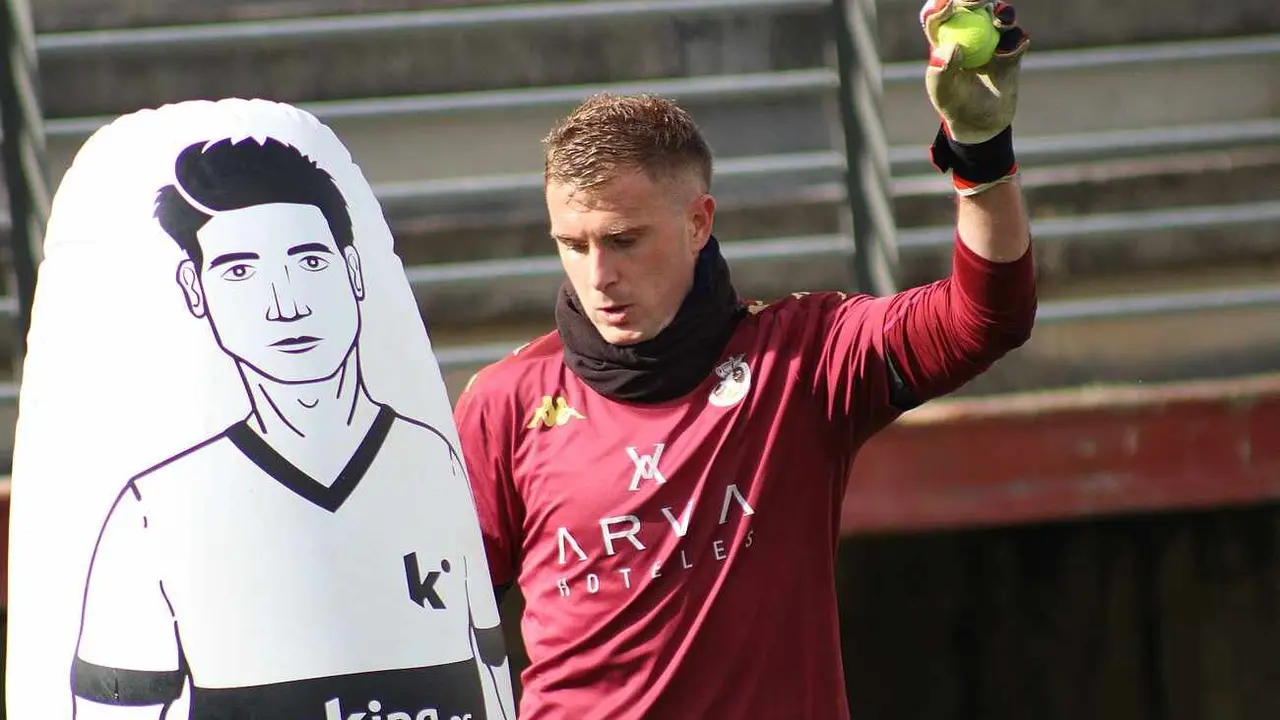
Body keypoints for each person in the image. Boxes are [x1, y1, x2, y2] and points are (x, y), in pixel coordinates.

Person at [453, 1, 1034, 717]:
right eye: (572, 245)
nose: (597, 274)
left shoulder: (803, 361)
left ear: (698, 222)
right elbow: (438, 615)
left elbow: (986, 317)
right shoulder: (506, 400)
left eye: (624, 240)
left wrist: (980, 154)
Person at [72, 137, 511, 719]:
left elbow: (492, 676)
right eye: (239, 270)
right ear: (194, 289)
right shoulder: (157, 509)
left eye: (308, 261)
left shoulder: (430, 460)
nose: (286, 304)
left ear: (353, 271)